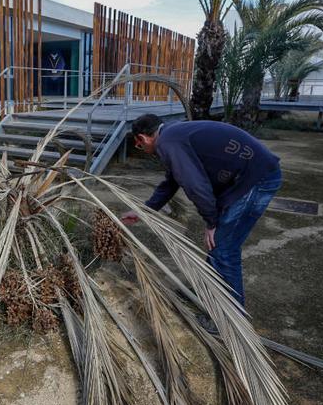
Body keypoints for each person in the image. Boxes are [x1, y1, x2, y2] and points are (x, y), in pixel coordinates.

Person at [120, 114, 282, 309]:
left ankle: (230, 318)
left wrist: (212, 222)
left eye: (140, 147)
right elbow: (171, 182)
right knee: (218, 246)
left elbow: (196, 186)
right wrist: (143, 211)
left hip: (256, 179)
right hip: (250, 175)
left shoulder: (168, 142)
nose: (144, 150)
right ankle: (207, 292)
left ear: (142, 138)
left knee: (223, 248)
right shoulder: (173, 135)